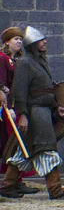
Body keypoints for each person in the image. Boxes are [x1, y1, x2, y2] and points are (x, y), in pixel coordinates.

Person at [1, 27, 64, 199]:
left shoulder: (40, 62)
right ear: (32, 44)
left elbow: (46, 90)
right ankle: (55, 189)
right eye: (41, 40)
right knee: (46, 147)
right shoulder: (25, 63)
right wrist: (23, 115)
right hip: (35, 113)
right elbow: (19, 92)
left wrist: (56, 106)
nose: (45, 41)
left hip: (43, 111)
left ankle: (7, 186)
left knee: (24, 151)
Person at [0, 27, 38, 197]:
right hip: (5, 108)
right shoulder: (2, 59)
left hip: (14, 106)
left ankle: (17, 181)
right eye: (15, 39)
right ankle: (10, 183)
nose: (19, 42)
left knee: (17, 144)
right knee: (10, 143)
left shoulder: (16, 60)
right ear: (7, 41)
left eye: (21, 39)